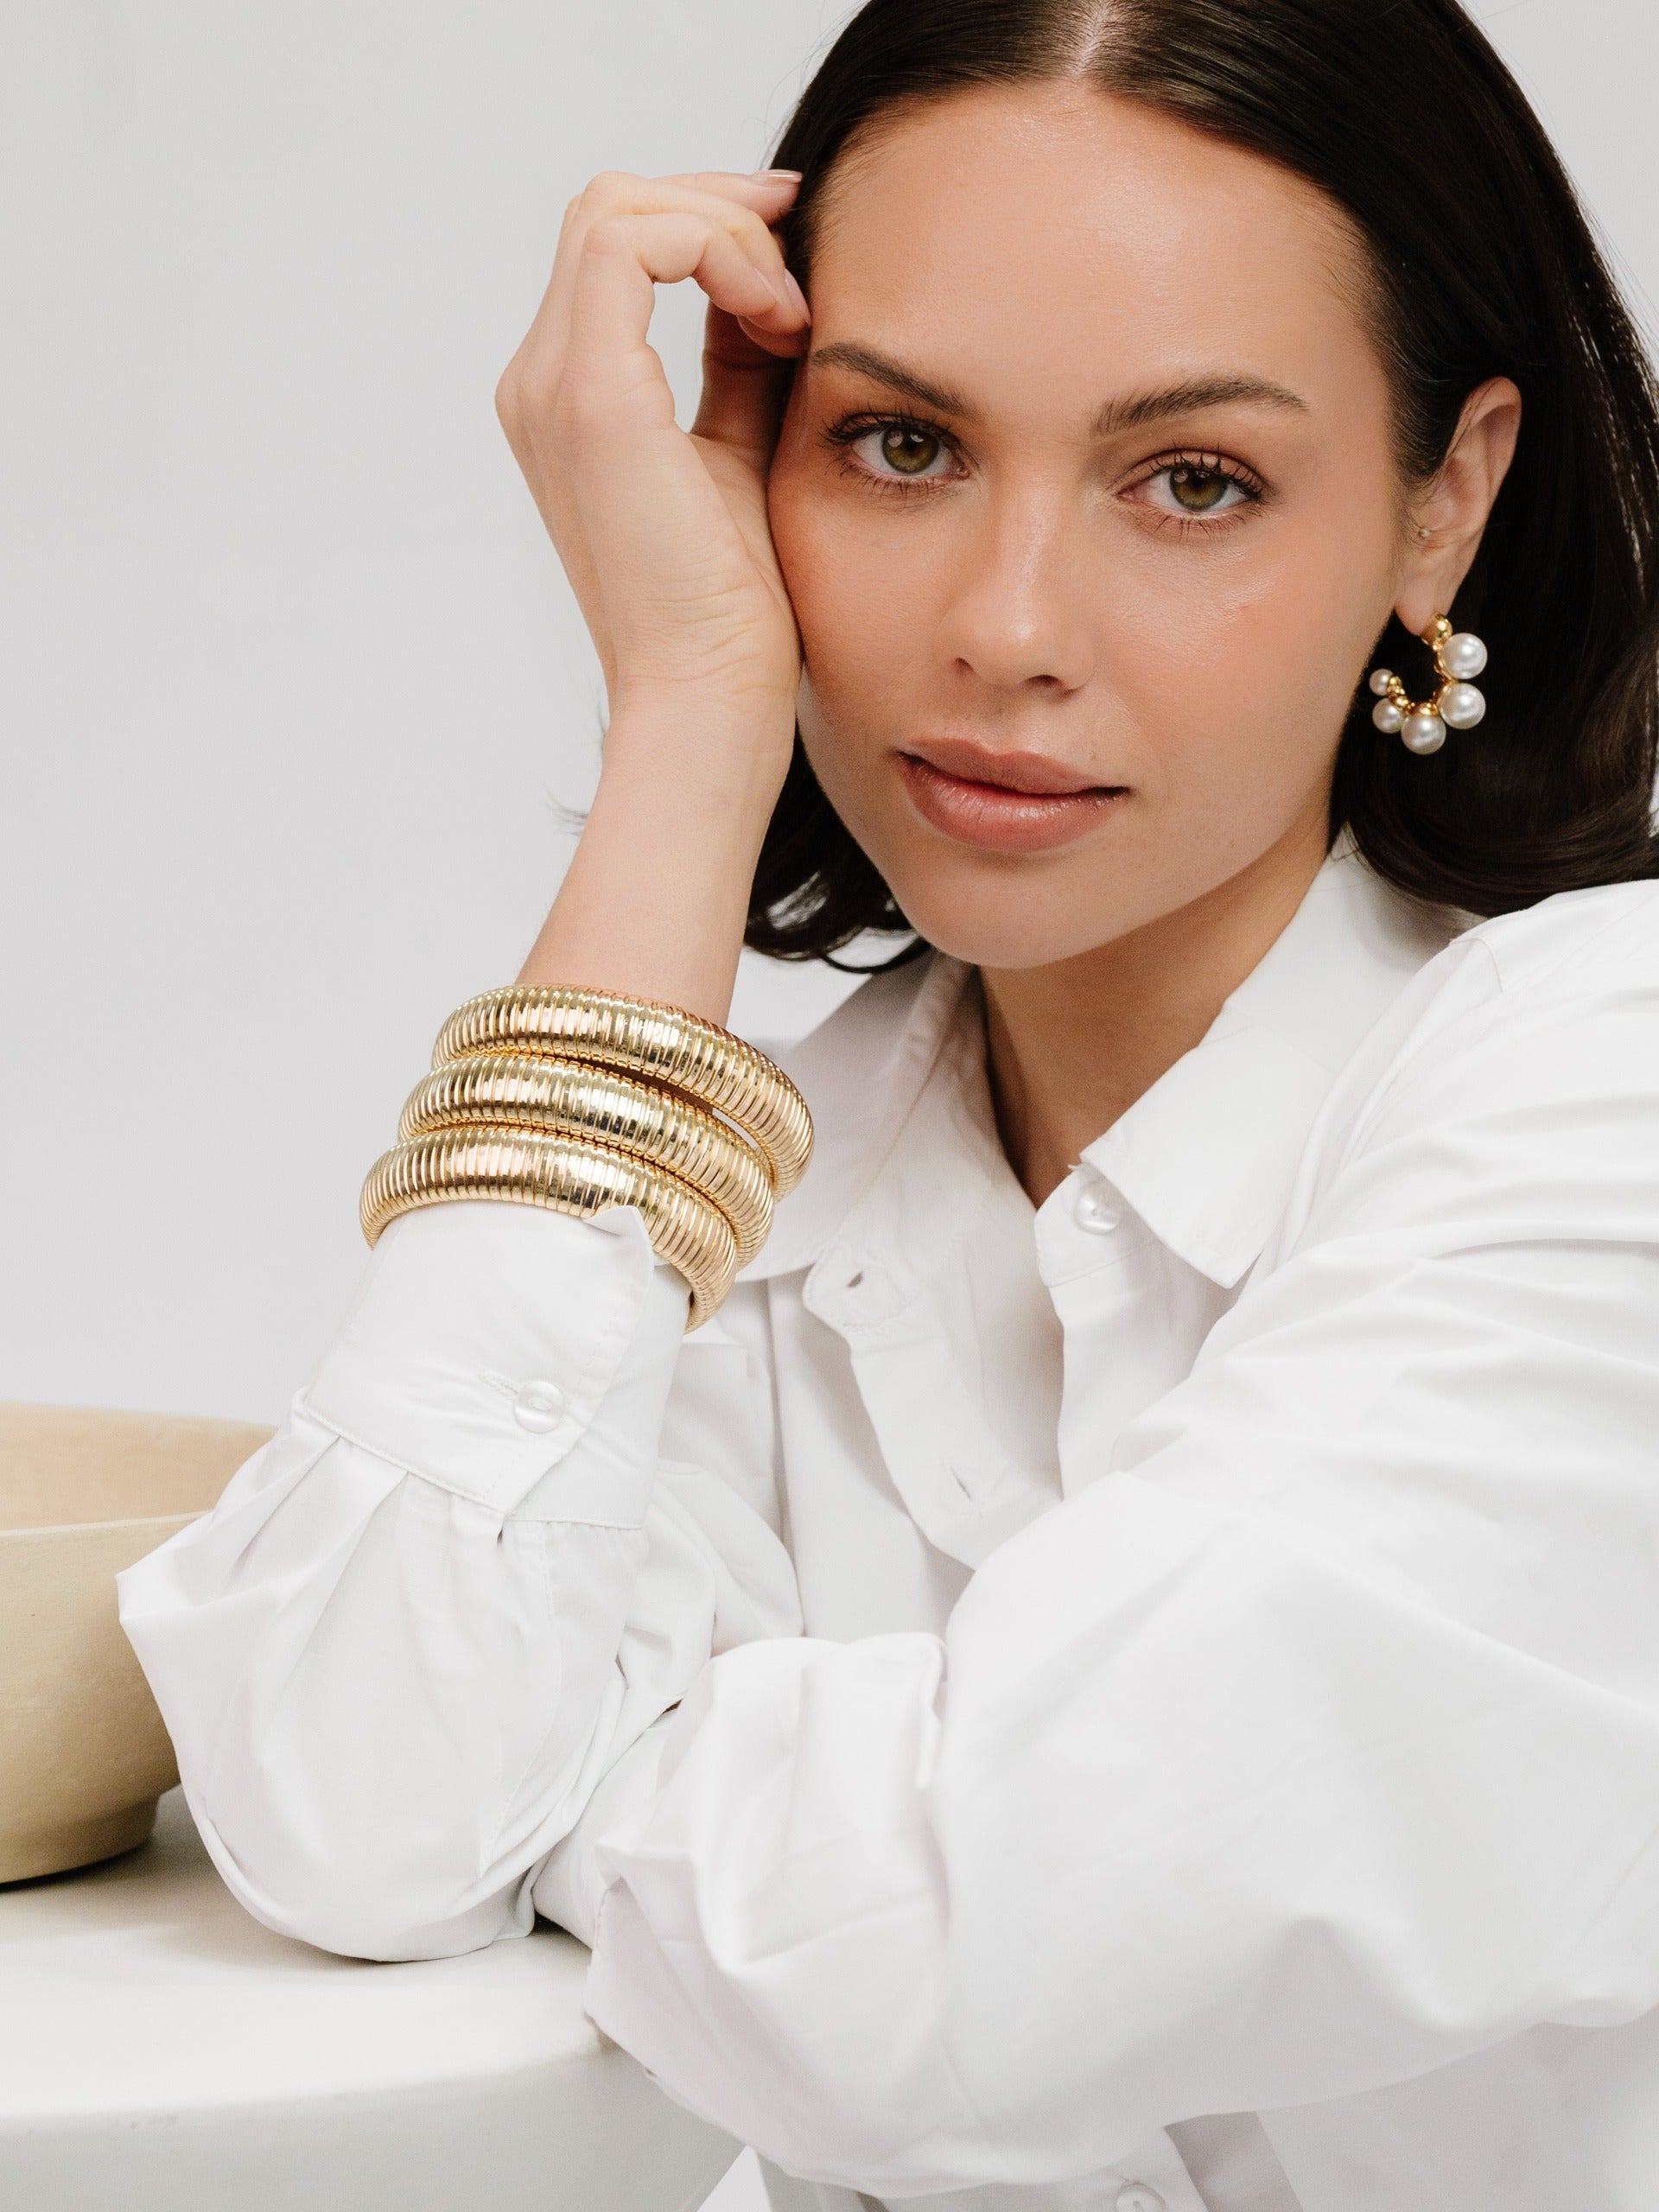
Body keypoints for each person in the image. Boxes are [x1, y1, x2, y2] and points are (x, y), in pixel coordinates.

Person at [118, 2, 1659, 2207]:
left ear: (1449, 500)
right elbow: (360, 1800)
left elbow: (980, 1957)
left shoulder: (1610, 1078)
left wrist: (581, 1777)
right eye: (901, 446)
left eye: (1193, 480)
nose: (1006, 627)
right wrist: (690, 708)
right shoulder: (747, 1212)